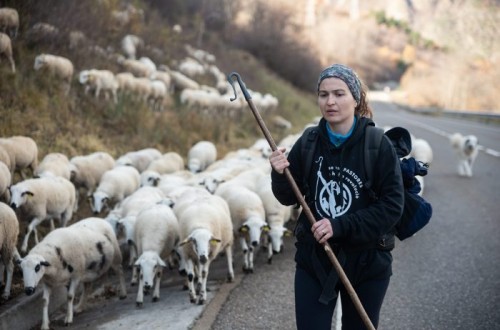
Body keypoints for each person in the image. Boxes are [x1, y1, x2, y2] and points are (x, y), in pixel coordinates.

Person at [269, 63, 404, 329]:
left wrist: (339, 225)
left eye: (339, 94)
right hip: (315, 261)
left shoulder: (377, 144)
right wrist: (278, 173)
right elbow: (288, 197)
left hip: (367, 264)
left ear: (355, 98)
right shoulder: (308, 142)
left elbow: (392, 207)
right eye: (323, 94)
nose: (330, 101)